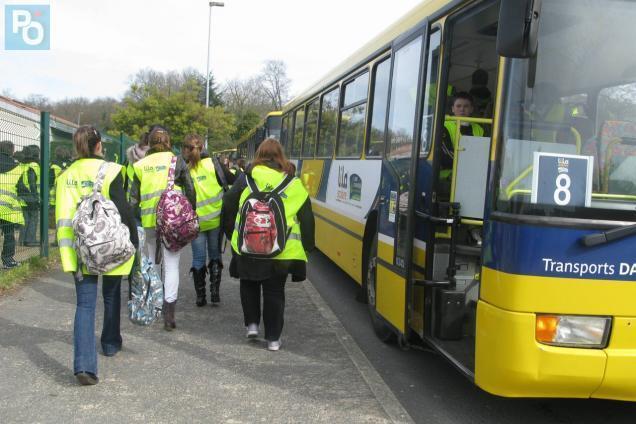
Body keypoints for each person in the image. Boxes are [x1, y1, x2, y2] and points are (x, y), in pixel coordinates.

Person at [55, 126, 138, 385]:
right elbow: (124, 211)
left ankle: (84, 366)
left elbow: (62, 219)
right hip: (111, 247)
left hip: (81, 252)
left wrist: (69, 259)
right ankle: (111, 343)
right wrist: (133, 247)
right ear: (99, 145)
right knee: (111, 295)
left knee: (85, 306)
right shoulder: (112, 171)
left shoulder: (66, 176)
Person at [222, 138, 315, 351]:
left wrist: (232, 233)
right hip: (280, 250)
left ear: (259, 156)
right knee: (274, 292)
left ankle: (252, 325)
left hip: (248, 245)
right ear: (281, 157)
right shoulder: (293, 182)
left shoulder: (246, 178)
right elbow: (307, 217)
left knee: (249, 283)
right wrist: (308, 245)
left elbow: (228, 202)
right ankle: (273, 339)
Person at [129, 125, 196, 331]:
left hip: (149, 220)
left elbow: (133, 198)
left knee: (151, 262)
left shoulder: (140, 165)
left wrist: (134, 222)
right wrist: (190, 213)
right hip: (172, 222)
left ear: (149, 142)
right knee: (172, 265)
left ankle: (154, 305)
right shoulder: (177, 161)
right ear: (168, 142)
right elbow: (190, 190)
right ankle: (169, 313)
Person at [181, 134, 226, 306]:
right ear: (202, 147)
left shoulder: (186, 169)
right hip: (215, 219)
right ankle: (215, 293)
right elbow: (228, 181)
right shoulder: (214, 163)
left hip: (196, 221)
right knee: (215, 255)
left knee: (198, 259)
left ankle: (200, 297)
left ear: (187, 149)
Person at [440, 92, 485, 181]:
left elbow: (483, 153)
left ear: (471, 109)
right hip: (449, 176)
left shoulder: (479, 129)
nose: (462, 109)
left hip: (473, 174)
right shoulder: (444, 126)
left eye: (466, 106)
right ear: (452, 109)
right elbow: (446, 156)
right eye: (458, 106)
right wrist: (472, 164)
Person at [0, 141, 27, 268]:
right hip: (7, 208)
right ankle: (8, 260)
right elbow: (21, 189)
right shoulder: (17, 167)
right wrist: (33, 200)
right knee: (9, 235)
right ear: (11, 151)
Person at [18, 145, 40, 247]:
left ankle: (22, 240)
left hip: (22, 196)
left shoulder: (22, 164)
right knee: (33, 218)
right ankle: (30, 240)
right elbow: (32, 183)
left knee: (25, 218)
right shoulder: (34, 165)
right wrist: (37, 197)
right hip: (31, 196)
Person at [123, 131, 150, 201]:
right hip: (147, 202)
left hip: (130, 200)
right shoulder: (152, 160)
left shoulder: (129, 158)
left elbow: (123, 182)